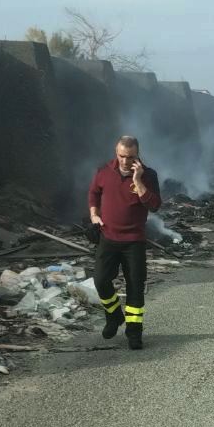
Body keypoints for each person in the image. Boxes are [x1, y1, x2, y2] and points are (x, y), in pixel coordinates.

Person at [88, 135, 161, 350]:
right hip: (108, 237)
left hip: (134, 242)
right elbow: (94, 192)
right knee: (101, 280)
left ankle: (134, 333)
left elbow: (154, 205)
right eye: (121, 156)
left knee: (135, 288)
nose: (125, 161)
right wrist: (94, 215)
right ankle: (114, 316)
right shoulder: (104, 171)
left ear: (137, 155)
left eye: (130, 157)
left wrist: (138, 181)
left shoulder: (148, 175)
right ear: (116, 153)